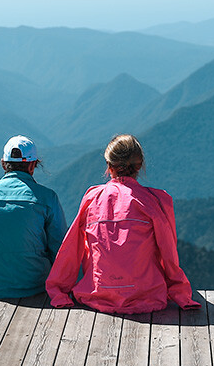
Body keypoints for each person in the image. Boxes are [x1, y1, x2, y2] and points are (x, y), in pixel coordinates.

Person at [46, 134, 199, 313]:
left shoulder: (92, 198)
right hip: (145, 296)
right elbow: (169, 253)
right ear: (140, 166)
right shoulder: (157, 201)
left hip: (96, 295)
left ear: (109, 166)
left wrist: (59, 291)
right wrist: (179, 292)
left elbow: (71, 249)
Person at [0, 135, 66, 298]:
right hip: (36, 285)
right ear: (33, 165)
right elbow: (59, 251)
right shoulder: (47, 198)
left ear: (3, 163)